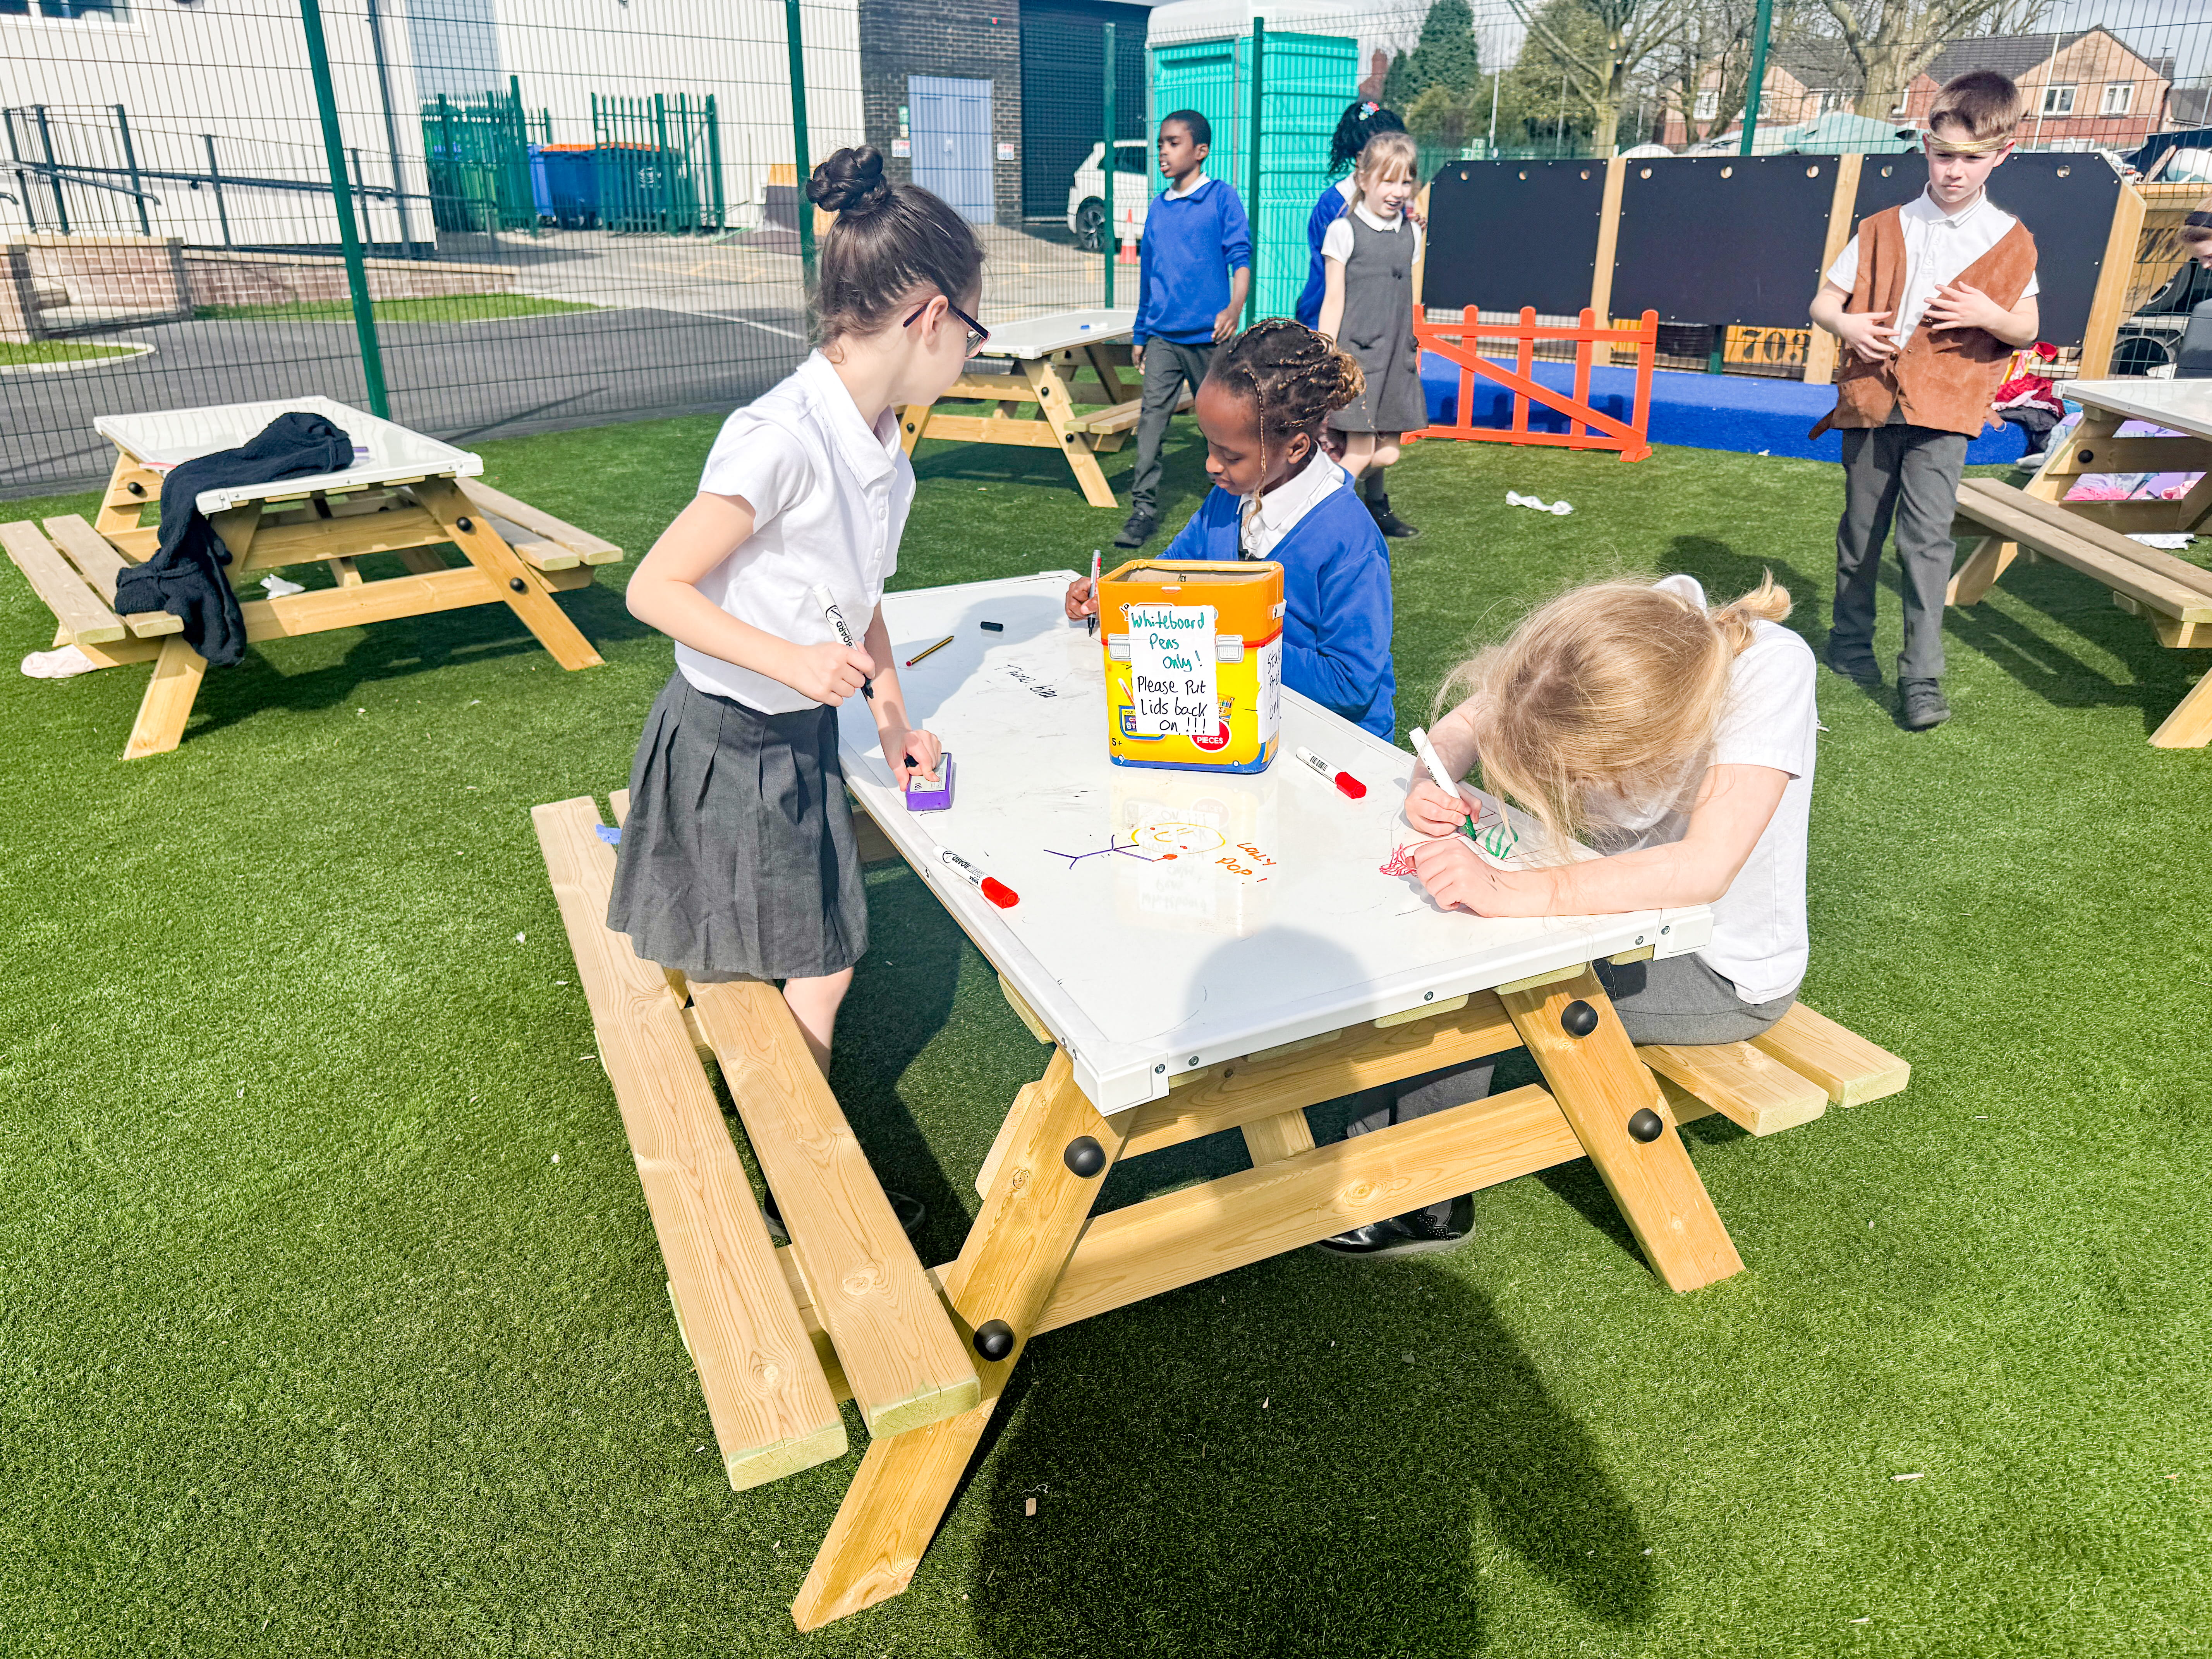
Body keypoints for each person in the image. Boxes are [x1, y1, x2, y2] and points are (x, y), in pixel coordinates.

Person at [608, 146, 982, 1233]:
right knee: (813, 967)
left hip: (791, 739)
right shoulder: (779, 437)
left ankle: (780, 1150)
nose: (971, 351)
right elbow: (656, 587)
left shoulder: (885, 451)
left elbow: (859, 597)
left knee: (819, 958)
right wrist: (794, 666)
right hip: (730, 739)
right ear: (928, 319)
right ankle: (781, 1183)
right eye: (974, 330)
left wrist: (895, 719)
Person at [1319, 571, 1818, 1257]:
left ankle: (1423, 1193)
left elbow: (1705, 867)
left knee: (1479, 981)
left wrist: (1512, 892)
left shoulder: (1770, 672)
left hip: (1714, 964)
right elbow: (1483, 711)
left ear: (1645, 745)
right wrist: (1433, 776)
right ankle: (1380, 1145)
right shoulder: (1635, 629)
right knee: (1448, 947)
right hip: (1605, 918)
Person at [1808, 69, 2040, 731]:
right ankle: (1850, 646)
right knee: (1859, 534)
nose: (1954, 171)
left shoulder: (2009, 239)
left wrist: (1988, 312)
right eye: (1943, 155)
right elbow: (1824, 300)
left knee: (1926, 540)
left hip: (1946, 409)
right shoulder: (1884, 225)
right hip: (1872, 399)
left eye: (1971, 158)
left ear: (2001, 155)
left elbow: (2025, 327)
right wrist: (1847, 324)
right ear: (1924, 148)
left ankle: (1921, 675)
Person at [1067, 319, 1395, 738]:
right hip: (1237, 723)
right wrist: (1109, 597)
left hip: (1333, 746)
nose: (1210, 465)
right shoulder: (1229, 497)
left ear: (1296, 447)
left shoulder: (1349, 541)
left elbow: (1350, 682)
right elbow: (1168, 574)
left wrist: (1223, 639)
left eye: (1230, 455)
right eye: (1208, 443)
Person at [1120, 109, 1254, 551]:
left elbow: (1241, 259)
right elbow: (1149, 276)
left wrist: (1235, 307)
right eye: (1161, 143)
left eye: (1173, 143)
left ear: (1200, 151)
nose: (1163, 151)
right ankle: (1143, 510)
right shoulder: (1158, 208)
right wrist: (1141, 334)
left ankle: (1242, 504)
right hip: (1162, 338)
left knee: (1222, 425)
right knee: (1151, 423)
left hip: (1212, 339)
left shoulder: (1222, 198)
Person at [1316, 127, 1427, 539]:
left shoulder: (1412, 232)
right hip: (1358, 360)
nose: (1397, 191)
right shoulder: (1344, 232)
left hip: (1396, 360)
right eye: (1387, 180)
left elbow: (1402, 297)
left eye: (1405, 180)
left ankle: (1328, 486)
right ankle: (1318, 515)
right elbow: (1333, 301)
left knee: (1389, 452)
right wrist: (1326, 357)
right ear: (1364, 180)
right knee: (1362, 450)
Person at [1294, 100, 1410, 330]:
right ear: (1360, 159)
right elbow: (1332, 279)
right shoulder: (1335, 205)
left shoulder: (1395, 202)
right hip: (1328, 323)